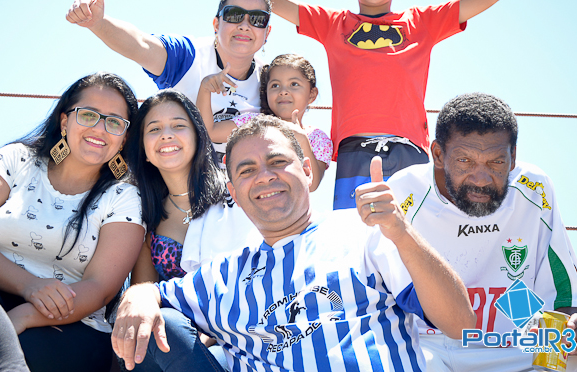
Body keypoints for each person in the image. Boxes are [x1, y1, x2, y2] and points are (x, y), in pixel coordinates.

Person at [112, 115, 476, 372]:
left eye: (277, 161)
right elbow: (155, 294)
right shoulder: (222, 275)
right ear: (234, 193)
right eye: (247, 170)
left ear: (306, 170)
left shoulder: (367, 233)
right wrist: (138, 296)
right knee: (154, 327)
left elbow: (460, 324)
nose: (265, 176)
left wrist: (402, 233)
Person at [254, 0, 504, 210]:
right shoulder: (333, 24)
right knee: (357, 236)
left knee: (409, 237)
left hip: (409, 152)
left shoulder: (422, 22)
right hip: (354, 152)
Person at [0, 73, 146, 372]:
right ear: (64, 122)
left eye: (114, 122)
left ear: (125, 138)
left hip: (66, 324)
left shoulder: (125, 196)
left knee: (14, 348)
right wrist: (30, 286)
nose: (100, 128)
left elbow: (100, 288)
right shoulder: (17, 159)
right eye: (88, 115)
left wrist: (24, 315)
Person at [385, 93, 577, 372]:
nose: (481, 179)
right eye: (465, 161)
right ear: (439, 155)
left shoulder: (534, 188)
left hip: (513, 345)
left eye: (496, 162)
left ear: (512, 157)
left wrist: (568, 336)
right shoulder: (404, 191)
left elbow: (562, 297)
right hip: (427, 343)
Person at [126, 89, 261, 371]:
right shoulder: (144, 215)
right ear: (144, 150)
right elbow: (144, 296)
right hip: (180, 342)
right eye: (154, 129)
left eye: (178, 125)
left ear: (199, 136)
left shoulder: (237, 193)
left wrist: (212, 332)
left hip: (246, 332)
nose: (166, 135)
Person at [66, 0, 273, 161]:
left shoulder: (272, 80)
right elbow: (140, 44)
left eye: (257, 19)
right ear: (216, 24)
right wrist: (99, 23)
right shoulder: (187, 56)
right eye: (234, 15)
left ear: (267, 33)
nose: (244, 26)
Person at [197, 53, 332, 191]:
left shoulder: (316, 138)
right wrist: (205, 89)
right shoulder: (254, 123)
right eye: (275, 85)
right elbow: (210, 132)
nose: (283, 91)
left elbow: (311, 185)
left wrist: (302, 139)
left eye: (294, 84)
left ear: (312, 94)